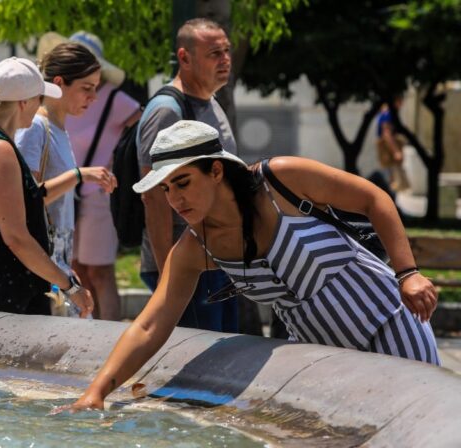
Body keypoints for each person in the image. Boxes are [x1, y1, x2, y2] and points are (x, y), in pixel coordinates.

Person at [68, 120, 440, 411]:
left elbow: (373, 198)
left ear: (216, 171)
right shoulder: (195, 247)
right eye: (166, 189)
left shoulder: (280, 180)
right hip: (325, 354)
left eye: (182, 182)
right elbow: (150, 325)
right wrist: (96, 392)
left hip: (389, 322)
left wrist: (408, 273)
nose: (175, 199)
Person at [0, 57, 102, 318]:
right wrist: (68, 286)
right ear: (23, 103)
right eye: (39, 99)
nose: (41, 107)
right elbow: (16, 237)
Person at [137, 18, 238, 331]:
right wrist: (172, 271)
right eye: (214, 53)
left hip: (218, 260)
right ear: (184, 58)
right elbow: (154, 196)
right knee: (199, 369)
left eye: (226, 51)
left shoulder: (212, 100)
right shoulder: (168, 110)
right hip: (188, 266)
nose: (225, 60)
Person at [16, 43, 118, 309]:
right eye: (87, 88)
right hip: (40, 274)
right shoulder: (36, 128)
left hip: (58, 271)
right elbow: (26, 202)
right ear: (59, 83)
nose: (94, 97)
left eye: (96, 87)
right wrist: (79, 175)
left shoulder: (57, 128)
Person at [56, 32, 142, 321]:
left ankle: (112, 338)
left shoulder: (115, 98)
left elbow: (142, 130)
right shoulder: (70, 96)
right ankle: (90, 334)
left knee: (101, 271)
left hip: (99, 197)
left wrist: (120, 167)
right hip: (69, 193)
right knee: (78, 270)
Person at [376, 96, 410, 192]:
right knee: (392, 182)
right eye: (400, 101)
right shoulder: (388, 113)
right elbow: (386, 133)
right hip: (388, 149)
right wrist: (396, 151)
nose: (402, 104)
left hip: (388, 148)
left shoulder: (385, 112)